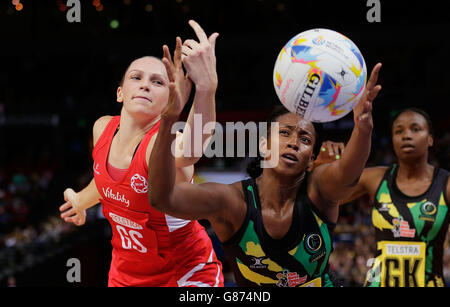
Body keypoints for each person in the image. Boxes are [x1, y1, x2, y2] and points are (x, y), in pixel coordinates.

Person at [147, 61, 382, 287]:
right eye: (285, 133)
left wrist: (362, 128)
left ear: (312, 159)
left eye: (305, 139)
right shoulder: (233, 201)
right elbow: (162, 198)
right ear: (263, 145)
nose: (293, 143)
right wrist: (169, 118)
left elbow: (348, 173)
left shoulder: (318, 190)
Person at [59, 20, 224, 287]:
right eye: (136, 77)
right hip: (126, 275)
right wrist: (80, 200)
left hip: (184, 274)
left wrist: (206, 88)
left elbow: (191, 150)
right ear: (120, 93)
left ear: (169, 98)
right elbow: (107, 183)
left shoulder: (163, 143)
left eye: (158, 81)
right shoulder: (102, 128)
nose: (145, 85)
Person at [319, 108, 449, 287]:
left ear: (430, 138)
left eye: (415, 129)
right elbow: (323, 198)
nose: (406, 135)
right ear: (393, 140)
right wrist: (321, 168)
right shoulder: (376, 178)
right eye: (399, 131)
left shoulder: (446, 184)